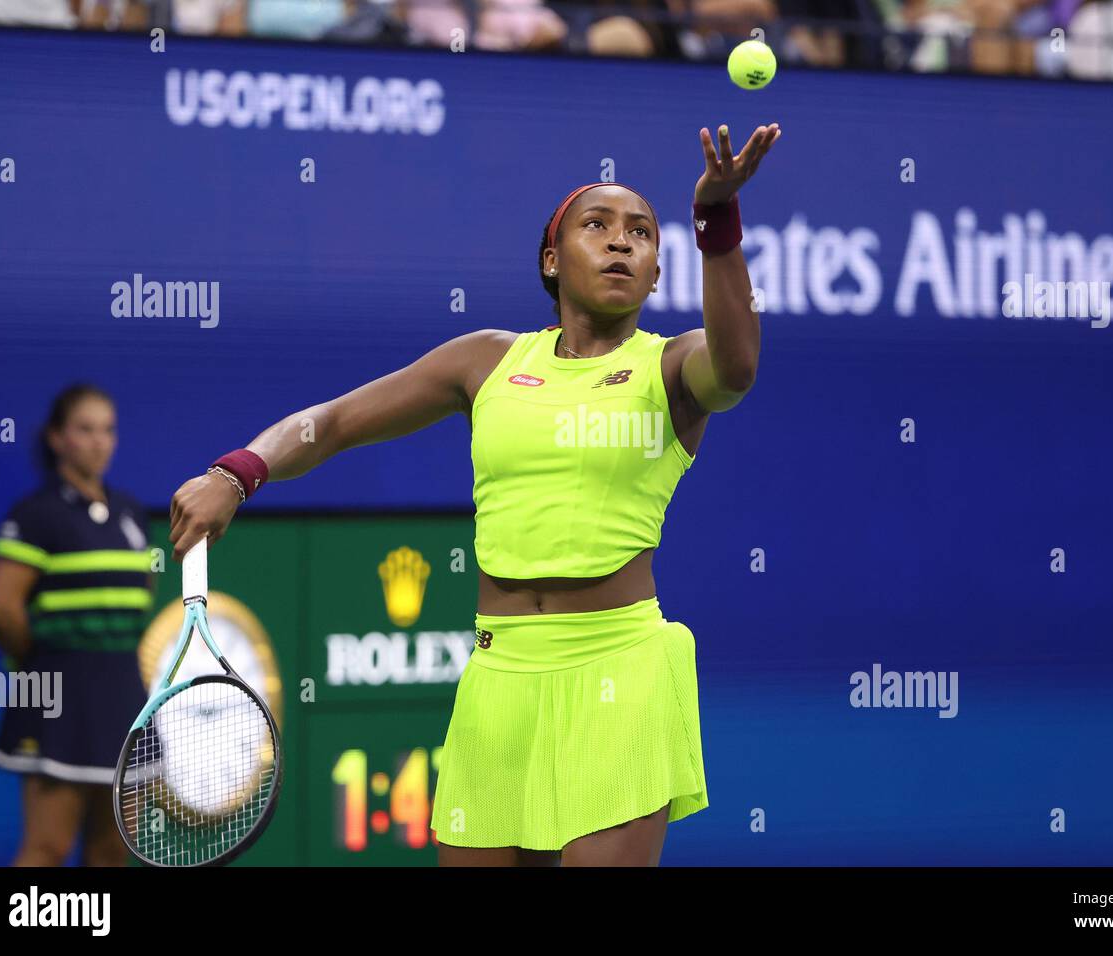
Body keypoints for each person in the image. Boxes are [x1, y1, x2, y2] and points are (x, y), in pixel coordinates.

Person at [167, 122, 781, 865]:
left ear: (656, 274)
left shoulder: (673, 366)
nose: (622, 242)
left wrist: (716, 219)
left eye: (642, 234)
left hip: (620, 669)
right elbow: (330, 424)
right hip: (499, 672)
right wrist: (236, 473)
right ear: (553, 261)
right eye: (598, 226)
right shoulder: (486, 361)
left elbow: (738, 368)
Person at [0, 383, 154, 866]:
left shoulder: (130, 514)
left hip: (123, 697)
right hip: (58, 698)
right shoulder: (36, 516)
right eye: (85, 429)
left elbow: (139, 596)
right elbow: (1, 608)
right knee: (47, 848)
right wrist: (38, 665)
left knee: (112, 851)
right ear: (57, 438)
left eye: (107, 430)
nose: (99, 442)